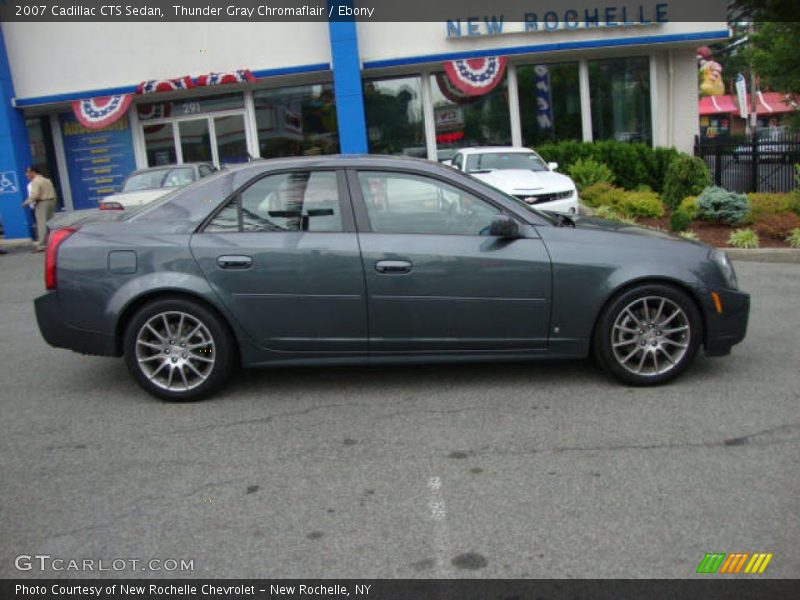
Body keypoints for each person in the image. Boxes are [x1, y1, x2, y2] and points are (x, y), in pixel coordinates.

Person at [21, 166, 57, 252]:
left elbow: (35, 195)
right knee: (50, 223)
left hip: (42, 203)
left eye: (28, 172)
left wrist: (26, 202)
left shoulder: (35, 181)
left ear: (33, 172)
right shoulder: (46, 180)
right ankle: (52, 242)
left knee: (42, 224)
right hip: (50, 201)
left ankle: (41, 245)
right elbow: (54, 192)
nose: (27, 175)